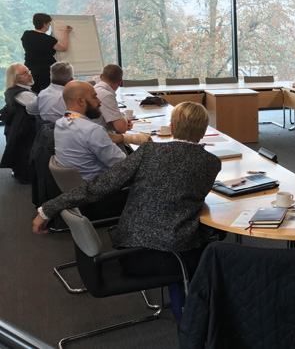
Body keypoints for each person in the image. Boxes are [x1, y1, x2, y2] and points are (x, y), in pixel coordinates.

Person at [33, 101, 222, 320]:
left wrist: (49, 208)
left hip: (130, 252)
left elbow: (97, 187)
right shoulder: (211, 162)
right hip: (172, 256)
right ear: (204, 130)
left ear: (171, 125)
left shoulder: (148, 152)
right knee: (216, 239)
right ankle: (197, 309)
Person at [53, 81, 126, 180]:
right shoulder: (92, 130)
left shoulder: (59, 124)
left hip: (77, 187)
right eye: (94, 97)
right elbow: (123, 164)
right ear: (80, 101)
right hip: (100, 187)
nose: (99, 101)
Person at [0, 63, 38, 182]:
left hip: (19, 130)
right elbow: (42, 110)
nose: (29, 74)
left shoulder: (12, 91)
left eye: (28, 71)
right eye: (25, 73)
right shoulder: (23, 94)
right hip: (27, 131)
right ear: (16, 78)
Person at [21, 13, 72, 94]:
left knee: (35, 93)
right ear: (44, 24)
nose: (49, 25)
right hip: (45, 71)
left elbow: (36, 45)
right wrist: (66, 34)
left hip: (30, 69)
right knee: (47, 93)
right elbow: (64, 48)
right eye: (48, 23)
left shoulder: (27, 34)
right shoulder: (48, 40)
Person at [95, 64, 131, 134]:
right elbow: (121, 128)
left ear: (100, 76)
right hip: (101, 138)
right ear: (120, 81)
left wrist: (122, 120)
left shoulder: (95, 89)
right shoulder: (106, 95)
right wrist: (123, 119)